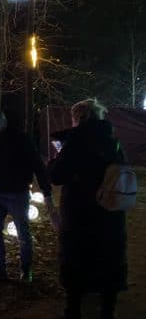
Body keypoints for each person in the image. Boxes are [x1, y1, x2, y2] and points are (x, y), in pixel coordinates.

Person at [48, 99, 127, 319]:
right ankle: (107, 310)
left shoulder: (74, 140)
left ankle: (73, 310)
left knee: (77, 260)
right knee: (109, 259)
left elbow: (56, 176)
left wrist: (55, 160)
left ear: (78, 118)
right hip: (110, 211)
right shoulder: (112, 140)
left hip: (80, 213)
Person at [0, 109, 56, 282]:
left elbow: (38, 165)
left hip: (18, 193)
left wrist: (47, 193)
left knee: (23, 233)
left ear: (4, 121)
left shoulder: (21, 139)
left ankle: (26, 269)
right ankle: (0, 268)